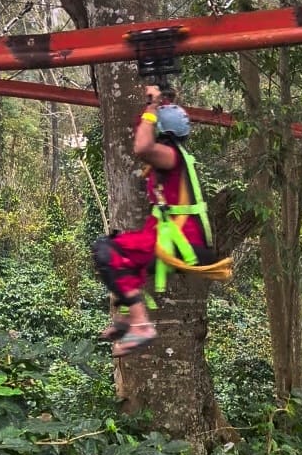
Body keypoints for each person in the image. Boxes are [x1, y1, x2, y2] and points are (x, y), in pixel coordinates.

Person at [92, 84, 215, 358]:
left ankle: (142, 324)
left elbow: (143, 146)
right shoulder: (175, 158)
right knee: (120, 254)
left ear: (164, 134)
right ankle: (129, 318)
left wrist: (150, 109)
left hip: (182, 242)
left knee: (107, 250)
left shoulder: (169, 156)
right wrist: (158, 103)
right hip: (174, 239)